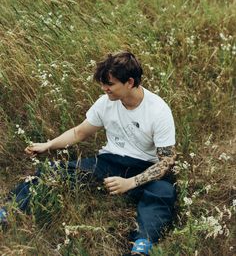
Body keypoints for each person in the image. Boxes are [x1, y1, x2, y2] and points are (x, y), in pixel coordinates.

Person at [0, 51, 177, 256]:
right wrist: (48, 145)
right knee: (51, 171)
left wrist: (131, 182)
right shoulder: (105, 102)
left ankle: (141, 245)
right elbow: (79, 132)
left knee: (163, 193)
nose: (104, 88)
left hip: (144, 167)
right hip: (109, 162)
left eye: (110, 84)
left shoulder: (158, 110)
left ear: (129, 82)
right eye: (103, 83)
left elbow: (167, 161)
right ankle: (8, 212)